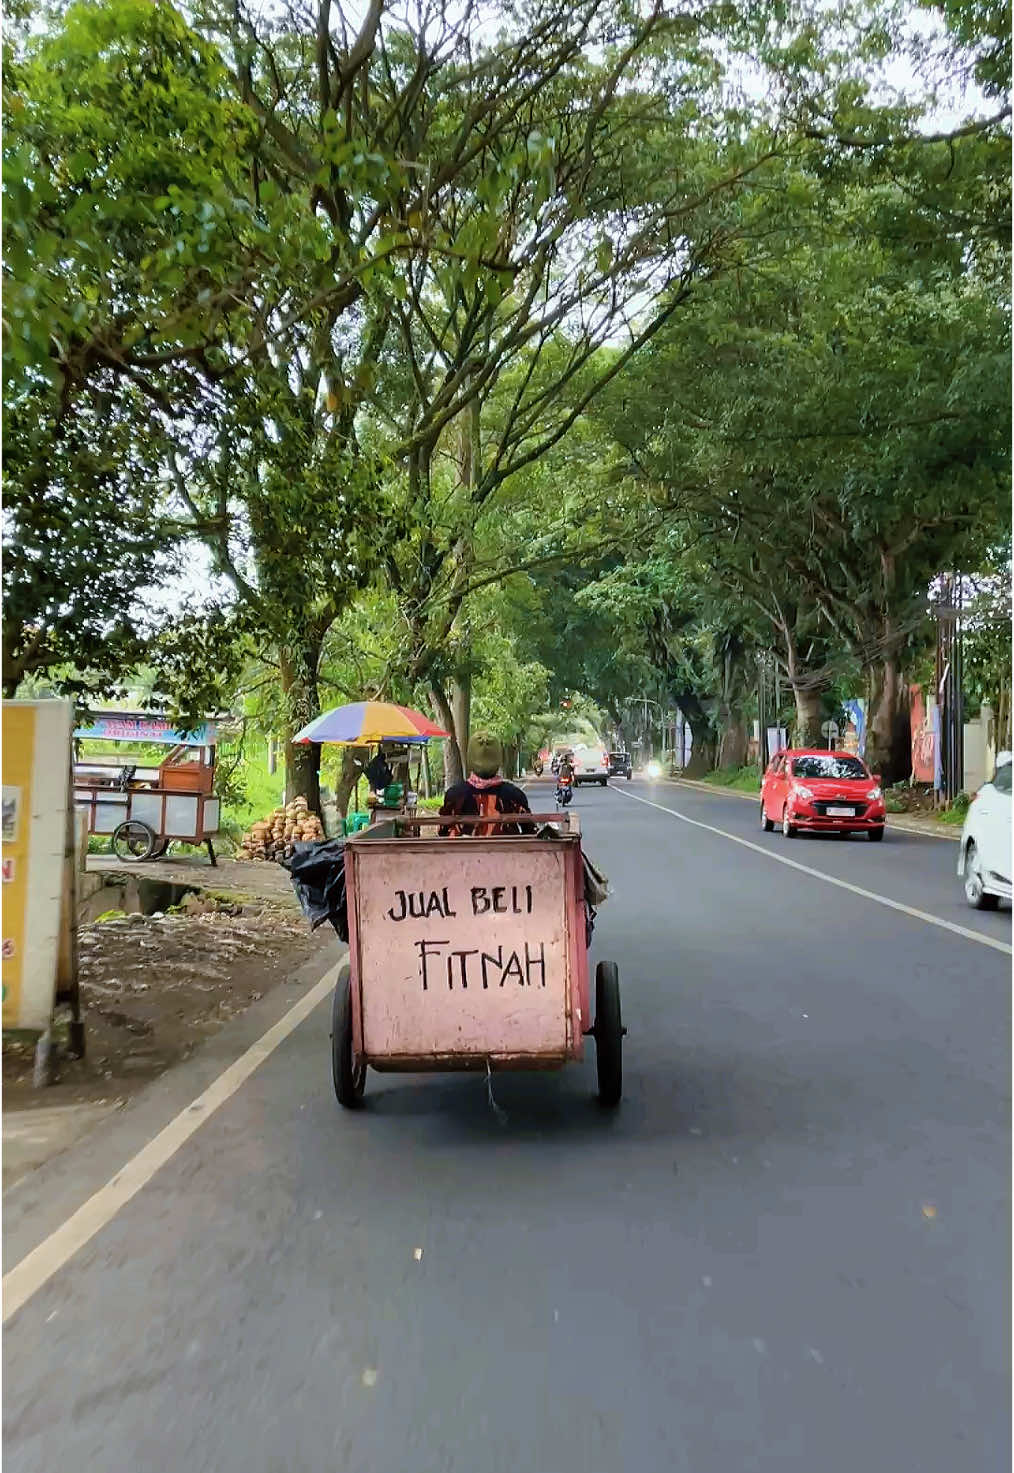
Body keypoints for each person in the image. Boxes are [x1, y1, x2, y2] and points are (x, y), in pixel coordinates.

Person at [439, 732, 533, 836]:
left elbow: (442, 832)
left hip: (462, 852)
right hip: (506, 851)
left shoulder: (454, 795)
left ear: (470, 758)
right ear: (498, 759)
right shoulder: (514, 795)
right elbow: (530, 831)